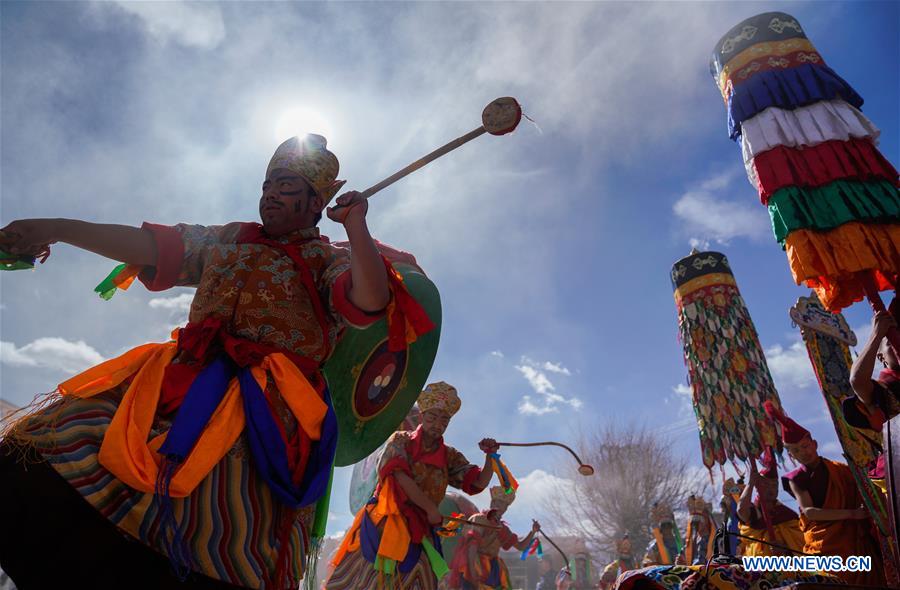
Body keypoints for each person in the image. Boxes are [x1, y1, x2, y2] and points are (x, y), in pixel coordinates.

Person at [0, 135, 427, 590]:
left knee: (224, 534)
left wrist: (355, 227)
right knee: (35, 461)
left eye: (284, 185)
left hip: (267, 416)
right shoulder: (226, 239)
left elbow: (371, 297)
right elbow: (151, 246)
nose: (269, 194)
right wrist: (56, 228)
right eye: (267, 184)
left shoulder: (328, 261)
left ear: (314, 201)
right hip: (179, 381)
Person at [326, 382, 497, 590]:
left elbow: (477, 482)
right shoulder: (400, 440)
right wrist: (430, 508)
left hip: (422, 529)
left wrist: (490, 457)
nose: (437, 424)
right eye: (432, 418)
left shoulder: (449, 455)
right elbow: (399, 476)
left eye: (444, 420)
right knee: (368, 578)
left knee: (424, 578)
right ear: (422, 416)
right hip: (388, 521)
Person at [766, 401, 886, 586]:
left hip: (853, 538)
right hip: (825, 542)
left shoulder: (840, 470)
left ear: (814, 444)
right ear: (791, 455)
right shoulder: (795, 478)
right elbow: (810, 512)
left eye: (805, 446)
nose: (803, 452)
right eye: (796, 450)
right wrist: (852, 514)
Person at [847, 308, 900, 492]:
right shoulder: (884, 388)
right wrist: (877, 335)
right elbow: (857, 381)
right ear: (881, 357)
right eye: (890, 342)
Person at [448, 486, 541, 589]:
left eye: (504, 506)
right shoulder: (479, 519)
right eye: (498, 504)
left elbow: (520, 546)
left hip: (494, 569)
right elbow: (472, 546)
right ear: (492, 504)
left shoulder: (502, 528)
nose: (501, 508)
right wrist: (472, 572)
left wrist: (532, 531)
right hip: (475, 564)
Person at [735, 449, 804, 557]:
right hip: (759, 568)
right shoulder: (755, 512)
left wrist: (785, 548)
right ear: (758, 487)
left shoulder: (787, 514)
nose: (772, 489)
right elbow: (741, 510)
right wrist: (751, 483)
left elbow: (799, 544)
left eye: (775, 485)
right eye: (767, 485)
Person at [682, 496, 715, 565]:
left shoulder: (715, 540)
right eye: (694, 522)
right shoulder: (694, 539)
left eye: (699, 521)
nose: (696, 525)